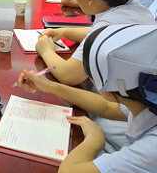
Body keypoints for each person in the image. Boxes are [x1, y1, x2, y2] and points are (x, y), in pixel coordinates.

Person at [18, 24, 157, 173]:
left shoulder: (150, 148)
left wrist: (93, 141)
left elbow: (67, 171)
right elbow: (108, 108)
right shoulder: (141, 99)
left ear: (106, 89)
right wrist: (50, 86)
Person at [37, 0, 156, 86]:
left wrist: (46, 50)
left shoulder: (108, 25)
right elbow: (99, 33)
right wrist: (63, 32)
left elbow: (68, 75)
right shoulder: (130, 5)